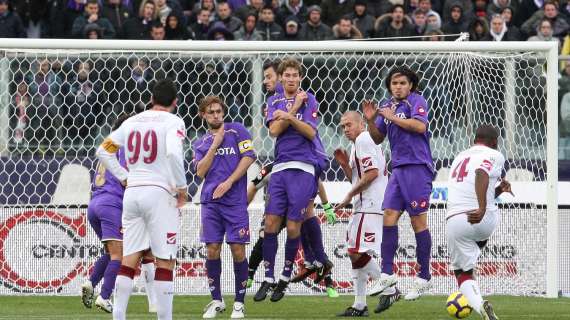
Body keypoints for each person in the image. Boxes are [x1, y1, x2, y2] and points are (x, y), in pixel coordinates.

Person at [96, 79, 187, 320]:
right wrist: (182, 188)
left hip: (133, 194)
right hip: (159, 193)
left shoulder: (132, 121)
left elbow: (103, 151)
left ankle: (118, 316)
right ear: (175, 102)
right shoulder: (173, 121)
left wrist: (124, 176)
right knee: (165, 260)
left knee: (129, 258)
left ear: (151, 99)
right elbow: (173, 153)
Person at [254, 58, 329, 303]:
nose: (290, 78)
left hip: (304, 167)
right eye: (286, 74)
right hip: (281, 166)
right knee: (271, 224)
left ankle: (285, 277)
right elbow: (274, 131)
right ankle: (268, 277)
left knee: (295, 225)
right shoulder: (273, 99)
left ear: (299, 78)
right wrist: (294, 112)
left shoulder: (309, 98)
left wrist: (289, 112)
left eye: (294, 75)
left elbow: (310, 132)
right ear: (281, 77)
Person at [363, 65, 434, 303]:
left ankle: (424, 276)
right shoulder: (387, 105)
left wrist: (390, 117)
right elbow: (377, 138)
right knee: (389, 215)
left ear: (410, 85)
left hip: (417, 166)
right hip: (398, 169)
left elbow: (420, 126)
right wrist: (372, 121)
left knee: (417, 221)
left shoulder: (417, 100)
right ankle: (386, 274)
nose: (398, 87)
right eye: (394, 83)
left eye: (402, 83)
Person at [81, 114, 158, 314]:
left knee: (111, 251)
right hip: (112, 204)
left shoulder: (108, 147)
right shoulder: (126, 148)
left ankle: (91, 282)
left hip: (94, 204)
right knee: (121, 254)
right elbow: (130, 179)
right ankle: (105, 297)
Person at [192, 96, 256, 319]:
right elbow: (200, 172)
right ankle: (217, 300)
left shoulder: (238, 131)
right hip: (210, 203)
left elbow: (249, 157)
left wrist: (229, 182)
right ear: (203, 115)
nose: (216, 115)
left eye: (219, 111)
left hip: (235, 203)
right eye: (211, 112)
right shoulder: (200, 143)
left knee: (238, 250)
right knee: (212, 249)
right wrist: (215, 145)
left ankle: (239, 303)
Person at [446, 125, 510, 320]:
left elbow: (478, 177)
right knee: (475, 245)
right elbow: (481, 173)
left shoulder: (459, 157)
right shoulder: (495, 154)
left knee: (462, 272)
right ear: (494, 142)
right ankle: (481, 304)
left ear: (475, 139)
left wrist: (491, 196)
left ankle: (479, 304)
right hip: (483, 219)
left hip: (456, 219)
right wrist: (483, 207)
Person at [333, 111, 390, 317]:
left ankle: (390, 287)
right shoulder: (358, 143)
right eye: (342, 126)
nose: (346, 129)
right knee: (355, 253)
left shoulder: (364, 139)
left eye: (349, 124)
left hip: (370, 203)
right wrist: (344, 164)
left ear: (361, 124)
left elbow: (372, 174)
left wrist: (349, 195)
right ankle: (359, 304)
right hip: (366, 203)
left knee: (355, 249)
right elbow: (359, 177)